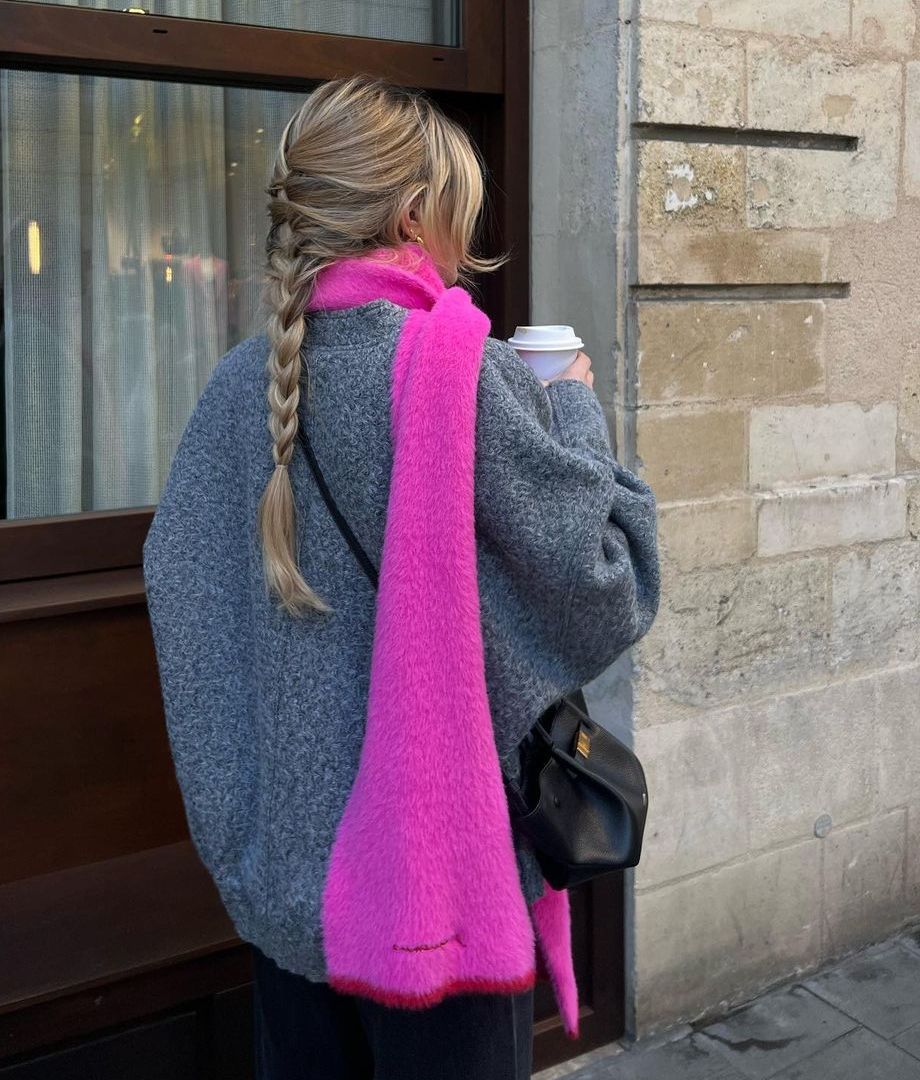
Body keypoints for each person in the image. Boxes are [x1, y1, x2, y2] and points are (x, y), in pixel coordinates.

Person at [143, 76, 660, 1080]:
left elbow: (187, 609)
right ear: (414, 213)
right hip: (442, 910)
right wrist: (573, 412)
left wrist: (246, 834)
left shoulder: (232, 390)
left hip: (289, 896)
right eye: (456, 211)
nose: (461, 238)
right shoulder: (469, 375)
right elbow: (608, 582)